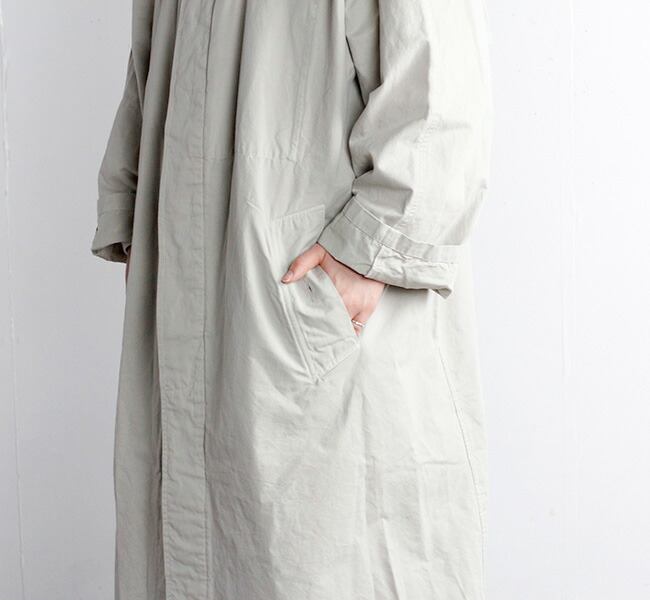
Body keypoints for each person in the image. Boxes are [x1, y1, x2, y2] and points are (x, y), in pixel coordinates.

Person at [90, 0, 494, 598]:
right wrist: (138, 221)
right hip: (193, 278)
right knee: (195, 545)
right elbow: (152, 65)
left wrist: (366, 250)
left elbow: (440, 87)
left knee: (326, 554)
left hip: (309, 303)